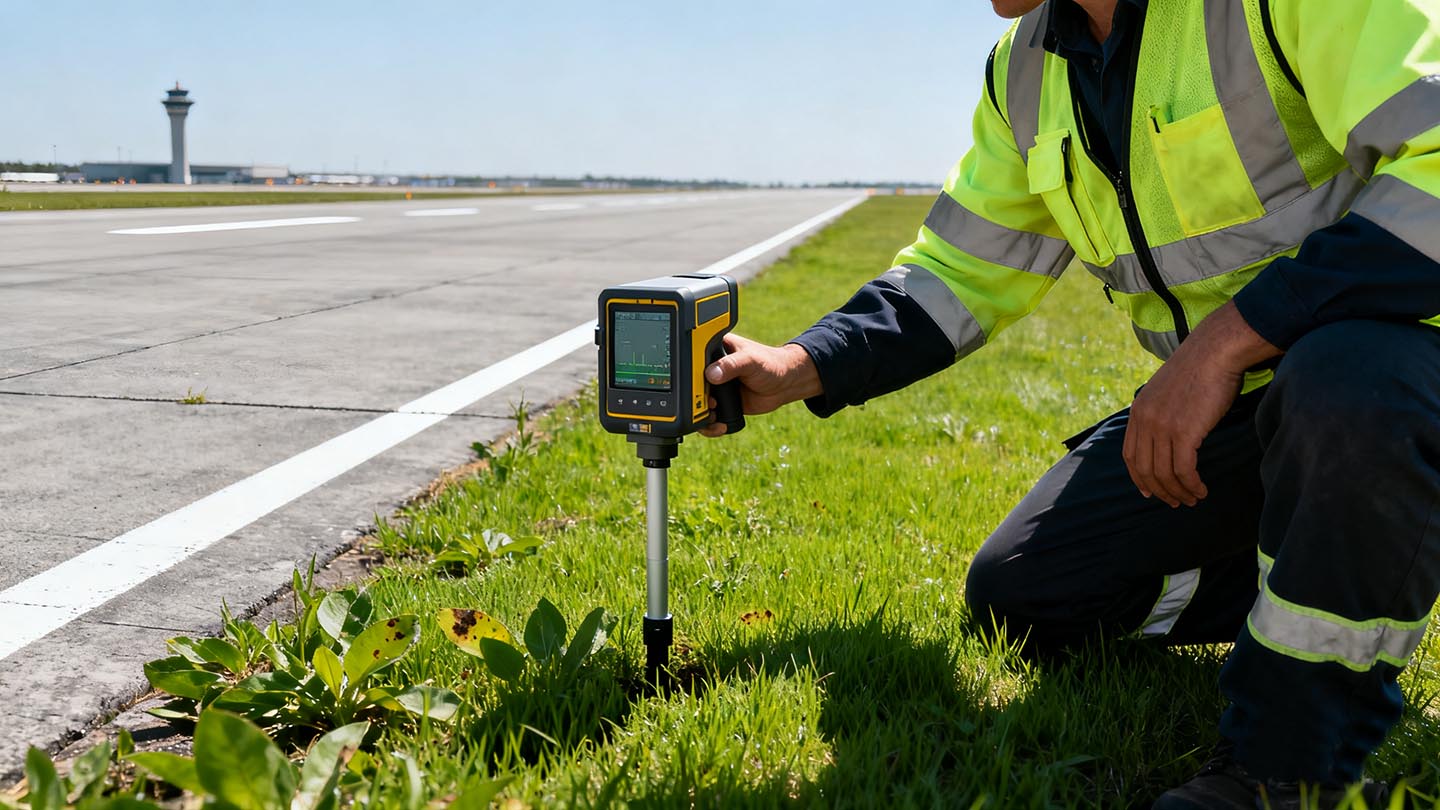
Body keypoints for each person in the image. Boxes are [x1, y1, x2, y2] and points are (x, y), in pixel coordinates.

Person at [701, 0, 1440, 807]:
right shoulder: (1025, 66)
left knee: (1348, 379)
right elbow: (962, 269)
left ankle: (1287, 769)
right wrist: (802, 363)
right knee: (1025, 595)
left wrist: (1224, 341)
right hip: (1241, 404)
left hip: (1391, 376)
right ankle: (1374, 547)